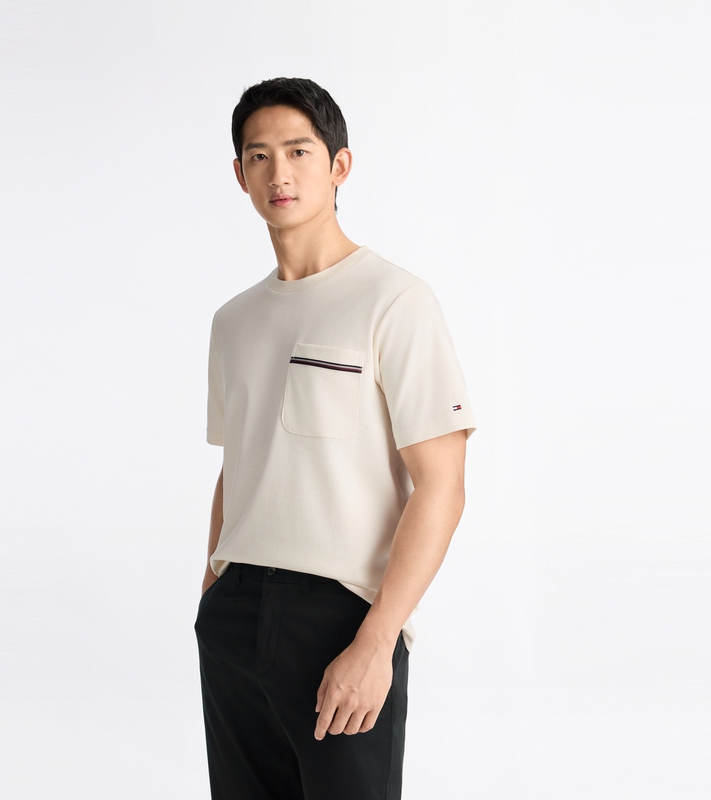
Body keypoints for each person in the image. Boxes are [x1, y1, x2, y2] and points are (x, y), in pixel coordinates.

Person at [194, 76, 477, 800]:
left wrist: (379, 638)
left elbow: (441, 484)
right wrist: (211, 594)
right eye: (258, 156)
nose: (278, 173)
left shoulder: (394, 300)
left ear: (339, 165)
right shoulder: (234, 320)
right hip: (235, 613)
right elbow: (240, 462)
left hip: (342, 617)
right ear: (239, 175)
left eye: (298, 151)